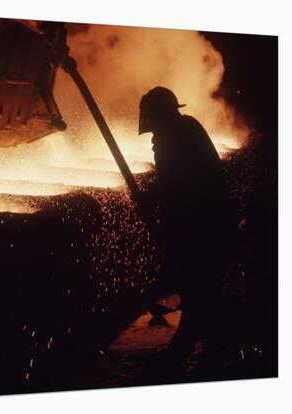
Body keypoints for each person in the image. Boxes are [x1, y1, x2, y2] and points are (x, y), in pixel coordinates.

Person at [137, 86, 236, 380]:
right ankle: (202, 352)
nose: (151, 130)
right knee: (202, 294)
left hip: (202, 228)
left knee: (199, 294)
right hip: (214, 224)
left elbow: (178, 182)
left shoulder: (171, 138)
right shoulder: (187, 127)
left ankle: (199, 356)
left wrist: (151, 198)